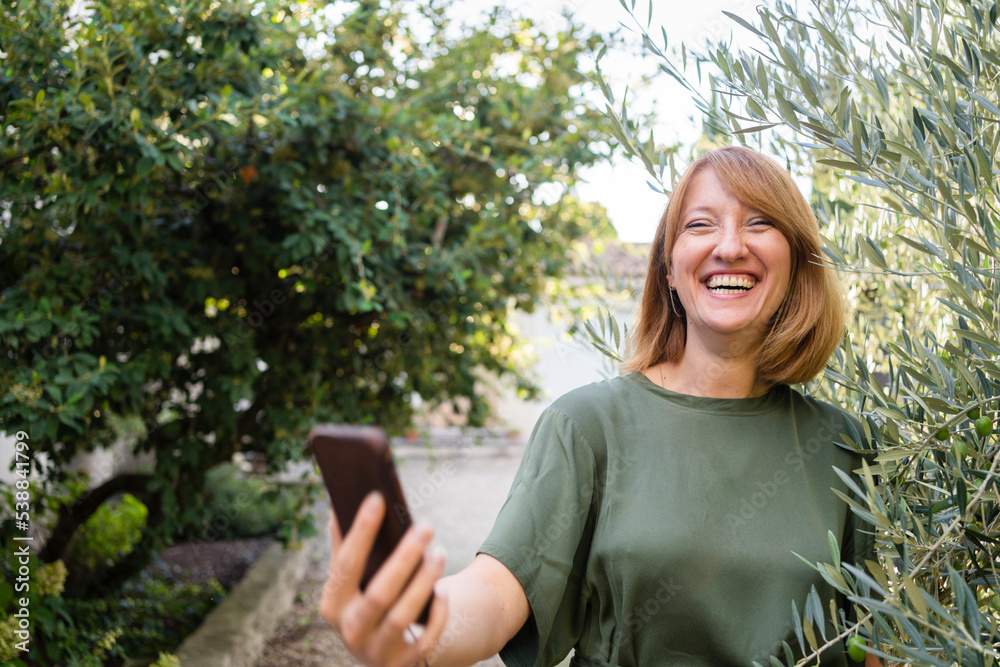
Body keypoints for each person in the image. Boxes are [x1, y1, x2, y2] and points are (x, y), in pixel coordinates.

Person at [320, 146, 879, 667]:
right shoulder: (587, 427)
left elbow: (878, 640)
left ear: (797, 262)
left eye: (760, 223)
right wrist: (421, 627)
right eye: (700, 224)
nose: (730, 247)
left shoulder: (846, 446)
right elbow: (497, 589)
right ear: (668, 269)